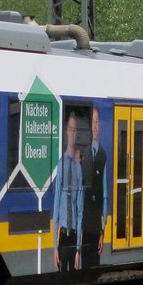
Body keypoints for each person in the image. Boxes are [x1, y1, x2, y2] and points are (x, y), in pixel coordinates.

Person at [52, 112, 84, 272]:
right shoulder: (61, 165)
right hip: (63, 236)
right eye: (69, 129)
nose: (72, 133)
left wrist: (78, 249)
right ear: (66, 131)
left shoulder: (78, 169)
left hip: (74, 236)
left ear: (76, 133)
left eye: (74, 129)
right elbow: (56, 208)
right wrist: (55, 247)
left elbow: (80, 211)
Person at [80, 108, 109, 268]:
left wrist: (103, 226)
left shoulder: (103, 155)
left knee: (94, 261)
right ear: (89, 125)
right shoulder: (83, 154)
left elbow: (105, 194)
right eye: (93, 122)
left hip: (96, 219)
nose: (96, 125)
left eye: (98, 122)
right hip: (85, 219)